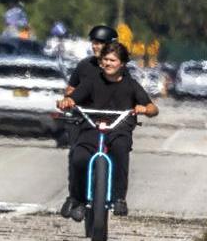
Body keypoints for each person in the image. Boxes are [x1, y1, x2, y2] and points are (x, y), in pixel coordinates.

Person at [57, 40, 157, 219]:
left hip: (119, 129)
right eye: (105, 60)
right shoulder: (91, 82)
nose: (108, 64)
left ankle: (119, 198)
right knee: (79, 158)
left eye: (113, 60)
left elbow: (152, 107)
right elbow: (74, 98)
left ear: (122, 64)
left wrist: (145, 109)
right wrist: (68, 101)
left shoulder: (131, 85)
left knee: (120, 150)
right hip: (92, 128)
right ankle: (78, 199)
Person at [58, 24, 115, 148]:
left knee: (120, 149)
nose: (95, 46)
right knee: (77, 153)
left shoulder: (120, 68)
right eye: (94, 43)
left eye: (100, 43)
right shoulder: (84, 65)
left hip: (111, 119)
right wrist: (67, 100)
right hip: (85, 117)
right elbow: (71, 88)